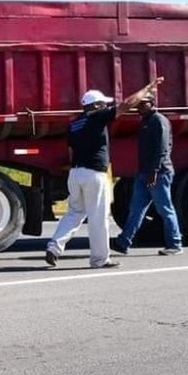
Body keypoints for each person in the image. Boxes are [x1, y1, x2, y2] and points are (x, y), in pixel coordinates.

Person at [45, 77, 164, 269]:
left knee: (74, 213)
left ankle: (54, 246)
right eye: (103, 104)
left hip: (75, 173)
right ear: (96, 105)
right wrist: (146, 90)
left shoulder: (74, 124)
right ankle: (100, 259)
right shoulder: (97, 117)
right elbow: (126, 105)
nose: (105, 106)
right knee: (99, 217)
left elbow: (71, 153)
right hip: (94, 174)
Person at [111, 88, 184, 256]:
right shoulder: (145, 121)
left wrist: (155, 171)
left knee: (165, 209)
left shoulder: (159, 121)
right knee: (136, 209)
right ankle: (123, 242)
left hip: (159, 173)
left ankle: (175, 244)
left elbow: (162, 149)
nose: (139, 108)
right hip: (144, 173)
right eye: (138, 105)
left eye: (143, 105)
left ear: (152, 104)